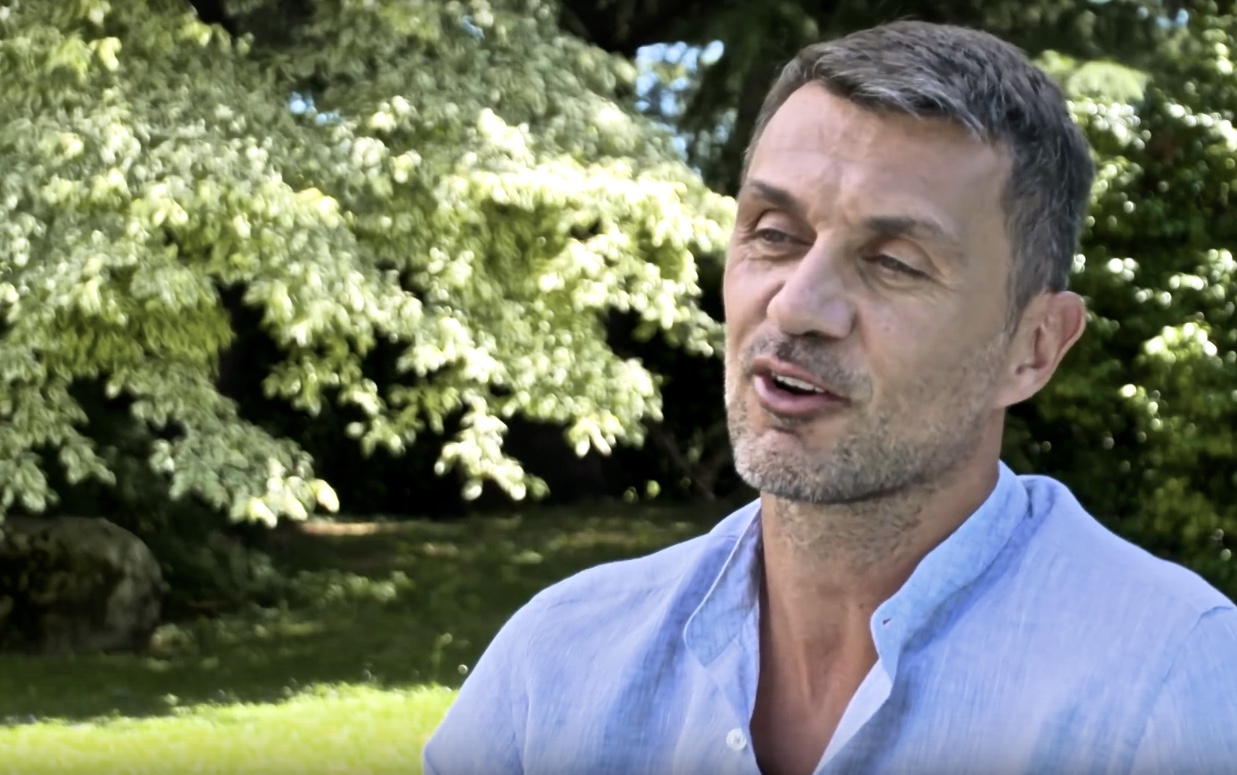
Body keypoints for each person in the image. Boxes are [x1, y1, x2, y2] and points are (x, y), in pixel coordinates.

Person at [422, 20, 1237, 775]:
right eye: (774, 234)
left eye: (893, 262)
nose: (795, 305)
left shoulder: (1173, 691)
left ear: (1033, 348)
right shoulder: (555, 669)